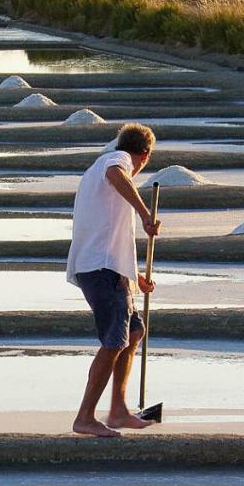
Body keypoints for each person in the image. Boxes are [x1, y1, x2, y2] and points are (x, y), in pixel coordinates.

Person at [66, 123, 160, 437]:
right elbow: (117, 175)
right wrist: (146, 213)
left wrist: (136, 277)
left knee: (134, 331)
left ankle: (118, 410)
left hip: (111, 269)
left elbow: (113, 235)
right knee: (113, 341)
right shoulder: (116, 162)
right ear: (145, 155)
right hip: (100, 268)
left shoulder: (101, 170)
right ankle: (85, 417)